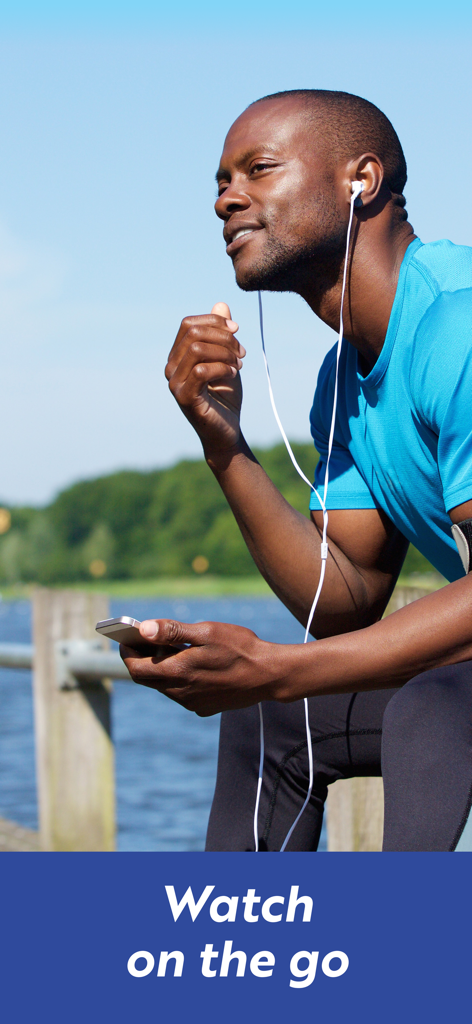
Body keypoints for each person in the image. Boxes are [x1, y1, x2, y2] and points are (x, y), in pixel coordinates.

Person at [121, 90, 472, 852]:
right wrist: (224, 444)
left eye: (259, 169)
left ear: (361, 180)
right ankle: (240, 960)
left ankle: (403, 961)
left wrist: (278, 664)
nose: (226, 199)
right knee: (270, 715)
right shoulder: (339, 382)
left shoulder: (460, 326)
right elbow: (342, 600)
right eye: (218, 181)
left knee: (435, 705)